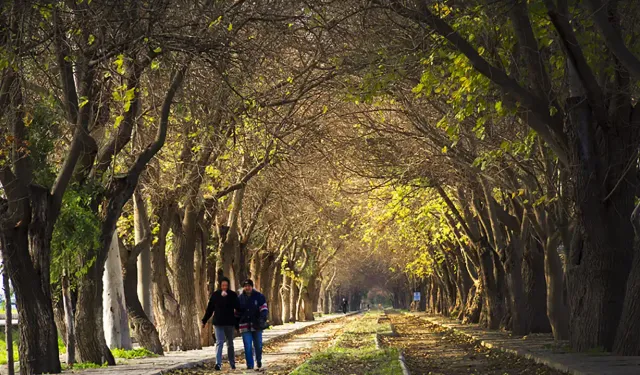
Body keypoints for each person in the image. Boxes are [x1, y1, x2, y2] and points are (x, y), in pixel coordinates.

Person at [201, 277, 239, 371]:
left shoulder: (233, 295)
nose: (224, 287)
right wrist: (204, 320)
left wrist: (237, 324)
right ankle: (218, 363)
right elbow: (210, 309)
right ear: (220, 286)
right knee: (219, 342)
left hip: (229, 323)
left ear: (228, 286)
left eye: (226, 285)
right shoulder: (215, 295)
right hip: (218, 323)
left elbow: (238, 309)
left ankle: (232, 363)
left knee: (230, 343)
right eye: (223, 285)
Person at [237, 279, 268, 371]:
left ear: (252, 286)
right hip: (244, 325)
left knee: (258, 345)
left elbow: (264, 309)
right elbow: (236, 312)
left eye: (249, 286)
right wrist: (236, 323)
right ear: (243, 287)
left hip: (257, 325)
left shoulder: (259, 296)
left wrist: (262, 318)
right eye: (245, 286)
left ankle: (258, 359)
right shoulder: (240, 298)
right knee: (247, 345)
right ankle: (250, 364)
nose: (247, 288)